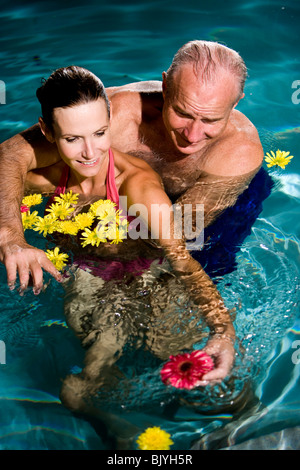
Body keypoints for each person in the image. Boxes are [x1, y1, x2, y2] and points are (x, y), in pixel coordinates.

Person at [7, 66, 236, 416]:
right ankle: (124, 440)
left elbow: (182, 263)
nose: (89, 152)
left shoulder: (138, 187)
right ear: (47, 133)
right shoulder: (44, 179)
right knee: (80, 389)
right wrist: (13, 240)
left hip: (152, 277)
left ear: (110, 121)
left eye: (100, 133)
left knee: (196, 373)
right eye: (72, 139)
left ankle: (245, 416)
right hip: (90, 276)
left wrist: (223, 330)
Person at [0, 40, 264, 292]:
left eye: (210, 120)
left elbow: (177, 236)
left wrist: (88, 248)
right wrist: (10, 237)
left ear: (236, 102)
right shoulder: (120, 115)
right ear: (165, 87)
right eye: (182, 113)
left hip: (206, 214)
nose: (193, 135)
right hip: (131, 204)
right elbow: (10, 154)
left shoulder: (238, 152)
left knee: (169, 299)